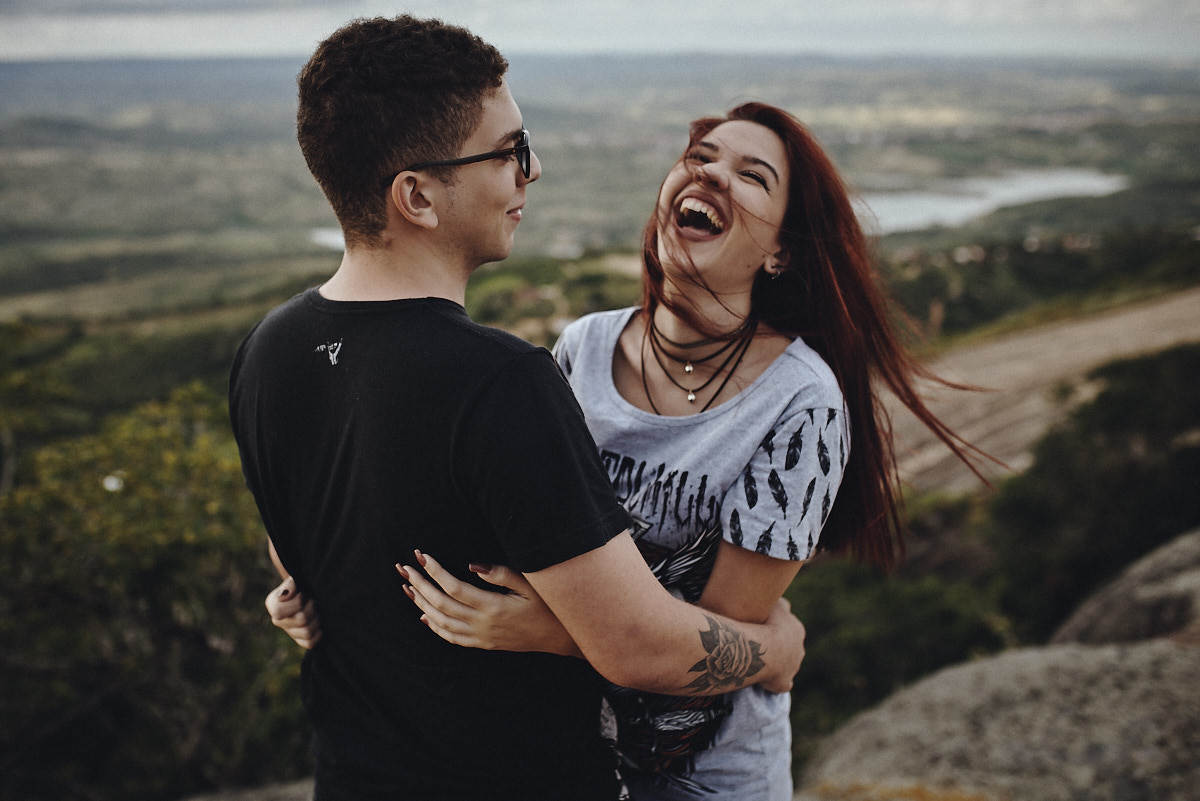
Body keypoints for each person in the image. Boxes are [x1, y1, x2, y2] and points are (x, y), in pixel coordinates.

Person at [270, 100, 987, 799]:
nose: (711, 174)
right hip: (564, 754)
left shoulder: (799, 402)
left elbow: (704, 647)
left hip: (700, 774)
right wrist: (321, 587)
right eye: (700, 157)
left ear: (781, 251)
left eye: (751, 176)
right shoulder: (582, 348)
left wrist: (552, 630)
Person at [234, 16, 808, 801]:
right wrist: (773, 650)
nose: (530, 173)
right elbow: (637, 645)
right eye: (508, 153)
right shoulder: (500, 382)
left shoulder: (267, 350)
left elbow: (299, 551)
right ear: (417, 197)